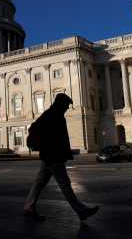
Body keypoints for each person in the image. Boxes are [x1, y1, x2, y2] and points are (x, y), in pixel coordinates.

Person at [24, 93, 99, 221]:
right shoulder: (53, 115)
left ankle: (28, 207)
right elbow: (54, 138)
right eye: (67, 105)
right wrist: (54, 152)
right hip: (53, 156)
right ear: (61, 103)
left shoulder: (53, 114)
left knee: (39, 183)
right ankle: (81, 210)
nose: (68, 108)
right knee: (65, 184)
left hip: (50, 156)